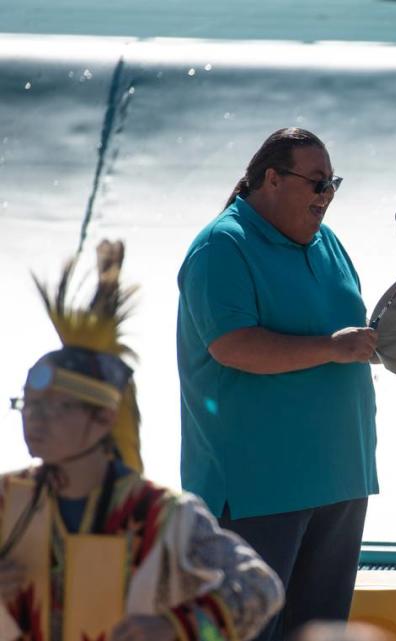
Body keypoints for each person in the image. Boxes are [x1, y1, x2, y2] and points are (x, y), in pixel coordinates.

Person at [0, 240, 282, 641]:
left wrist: (177, 628)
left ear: (104, 419)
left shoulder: (165, 516)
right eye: (27, 405)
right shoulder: (7, 499)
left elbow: (259, 587)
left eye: (55, 407)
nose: (34, 419)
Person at [177, 128, 378, 640]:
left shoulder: (326, 241)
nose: (326, 195)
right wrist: (332, 348)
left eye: (332, 184)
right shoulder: (222, 246)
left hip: (340, 476)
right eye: (316, 183)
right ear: (271, 178)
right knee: (248, 632)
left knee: (318, 631)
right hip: (256, 488)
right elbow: (233, 346)